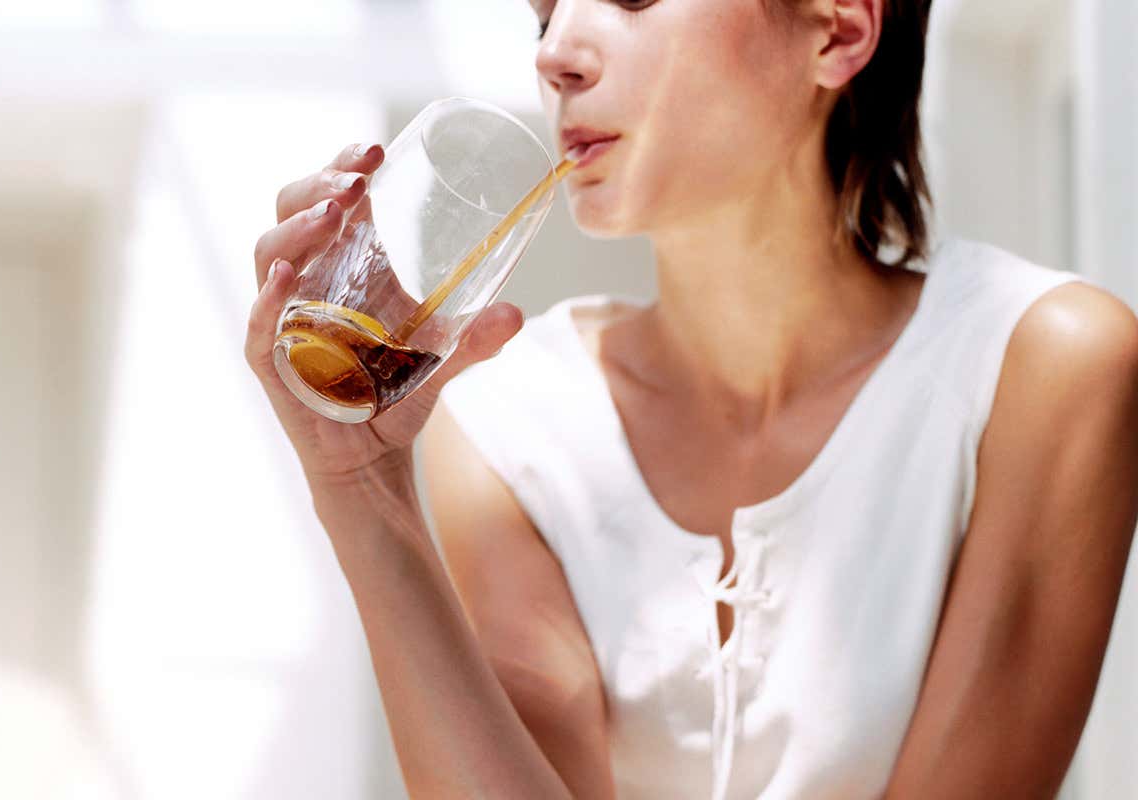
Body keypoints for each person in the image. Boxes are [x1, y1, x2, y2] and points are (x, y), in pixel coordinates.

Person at [245, 0, 1138, 797]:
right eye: (544, 13)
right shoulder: (507, 419)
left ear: (841, 30)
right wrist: (359, 490)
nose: (553, 53)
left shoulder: (1040, 364)